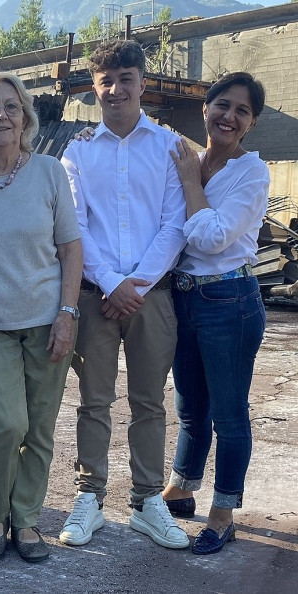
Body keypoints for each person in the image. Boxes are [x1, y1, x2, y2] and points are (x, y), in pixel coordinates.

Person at [59, 39, 190, 550]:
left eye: (125, 79)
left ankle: (146, 501)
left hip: (150, 297)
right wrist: (111, 283)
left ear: (142, 82)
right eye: (106, 81)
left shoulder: (168, 146)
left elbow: (174, 224)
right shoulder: (79, 149)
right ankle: (89, 496)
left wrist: (135, 285)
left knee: (149, 402)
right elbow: (72, 225)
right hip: (95, 295)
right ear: (95, 89)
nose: (116, 89)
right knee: (93, 401)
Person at [0, 72, 83, 562]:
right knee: (7, 422)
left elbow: (71, 249)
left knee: (40, 427)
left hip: (48, 318)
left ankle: (25, 519)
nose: (1, 116)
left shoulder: (49, 171)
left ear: (25, 117)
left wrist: (67, 314)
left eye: (10, 107)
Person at [163, 72, 269, 555]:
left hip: (230, 301)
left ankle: (223, 512)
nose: (229, 116)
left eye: (241, 111)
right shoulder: (191, 157)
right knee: (190, 408)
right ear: (205, 108)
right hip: (184, 297)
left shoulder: (251, 172)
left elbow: (211, 238)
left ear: (250, 124)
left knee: (228, 413)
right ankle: (182, 487)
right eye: (222, 105)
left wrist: (189, 183)